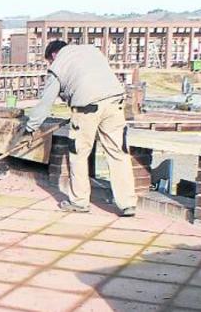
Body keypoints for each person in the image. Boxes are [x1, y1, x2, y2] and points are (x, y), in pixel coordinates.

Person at [18, 41, 137, 217]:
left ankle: (79, 201)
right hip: (115, 101)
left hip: (86, 108)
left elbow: (45, 103)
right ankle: (127, 204)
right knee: (118, 153)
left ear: (52, 55)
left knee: (79, 154)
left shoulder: (58, 65)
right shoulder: (91, 50)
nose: (50, 65)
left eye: (49, 62)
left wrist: (30, 127)